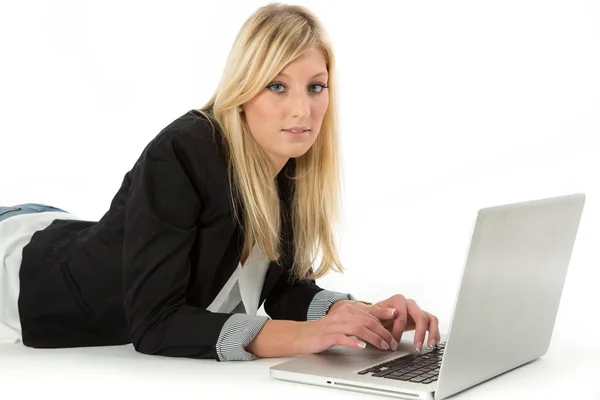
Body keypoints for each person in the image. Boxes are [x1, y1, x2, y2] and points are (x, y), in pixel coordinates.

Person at [0, 3, 440, 362]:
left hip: (66, 230)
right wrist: (307, 337)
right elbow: (155, 324)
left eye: (316, 86)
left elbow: (281, 287)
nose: (302, 111)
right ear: (244, 88)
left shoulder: (286, 160)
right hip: (19, 270)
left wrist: (359, 314)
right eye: (278, 86)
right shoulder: (182, 153)